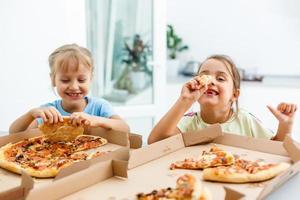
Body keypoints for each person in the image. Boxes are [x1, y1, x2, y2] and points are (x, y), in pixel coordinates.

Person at [148, 55, 297, 144]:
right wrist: (185, 100)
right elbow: (154, 141)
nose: (211, 81)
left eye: (220, 78)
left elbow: (276, 150)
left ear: (235, 94)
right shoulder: (188, 122)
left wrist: (285, 125)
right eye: (205, 76)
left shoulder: (244, 120)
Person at [9, 44, 129, 133]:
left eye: (81, 80)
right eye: (65, 80)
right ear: (53, 80)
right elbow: (14, 133)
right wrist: (31, 114)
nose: (74, 87)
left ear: (91, 79)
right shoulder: (49, 112)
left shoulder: (100, 106)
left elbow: (126, 129)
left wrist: (96, 120)